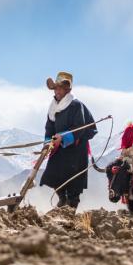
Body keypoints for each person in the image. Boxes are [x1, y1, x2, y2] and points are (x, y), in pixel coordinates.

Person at [39, 72, 97, 210]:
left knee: (74, 182)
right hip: (59, 149)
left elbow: (80, 127)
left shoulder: (76, 105)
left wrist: (63, 138)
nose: (57, 91)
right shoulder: (53, 107)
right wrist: (48, 143)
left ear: (67, 90)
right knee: (53, 175)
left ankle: (71, 208)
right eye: (55, 88)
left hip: (76, 150)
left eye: (60, 88)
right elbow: (49, 127)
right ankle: (62, 199)